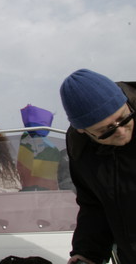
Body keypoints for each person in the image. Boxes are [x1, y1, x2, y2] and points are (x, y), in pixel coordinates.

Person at [60, 69, 136, 264]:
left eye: (123, 118)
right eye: (105, 131)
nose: (119, 131)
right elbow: (95, 205)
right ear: (83, 130)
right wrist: (87, 253)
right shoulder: (82, 151)